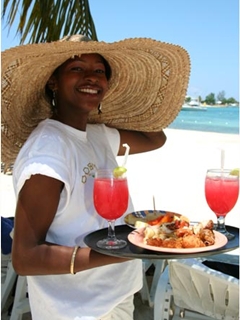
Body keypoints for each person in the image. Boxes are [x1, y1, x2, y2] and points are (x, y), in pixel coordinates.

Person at [1, 34, 190, 320]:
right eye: (77, 69)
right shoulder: (48, 150)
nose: (91, 77)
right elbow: (25, 257)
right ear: (53, 81)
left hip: (116, 293)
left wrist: (107, 101)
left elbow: (155, 138)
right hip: (78, 309)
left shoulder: (97, 135)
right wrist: (127, 251)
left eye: (99, 72)